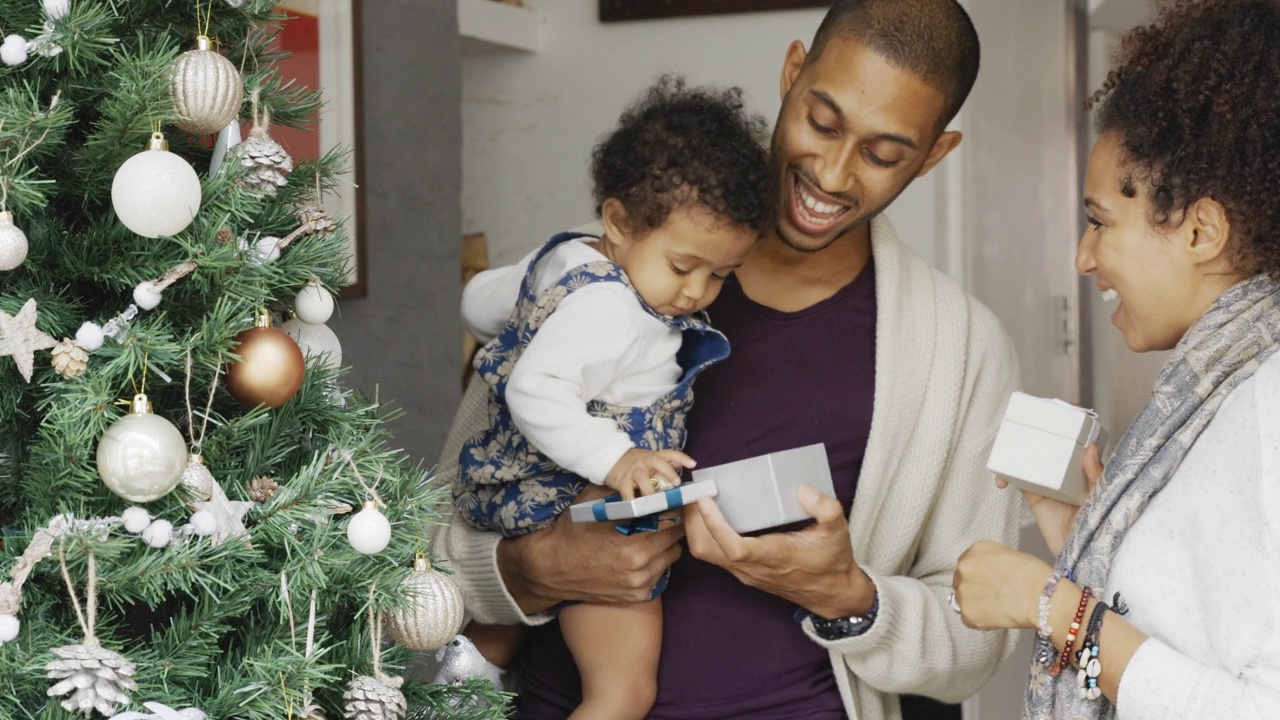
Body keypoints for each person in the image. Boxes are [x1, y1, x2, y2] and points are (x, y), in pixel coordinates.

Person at [433, 1, 1023, 718]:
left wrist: (845, 594)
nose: (832, 175)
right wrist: (529, 571)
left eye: (882, 154)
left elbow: (975, 642)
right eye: (823, 123)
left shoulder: (960, 349)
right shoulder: (597, 270)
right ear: (792, 72)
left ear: (935, 154)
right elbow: (430, 533)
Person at [950, 1, 1280, 718]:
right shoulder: (1221, 390)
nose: (1083, 256)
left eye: (1100, 221)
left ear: (1201, 230)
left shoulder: (1267, 406)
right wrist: (1089, 551)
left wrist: (1049, 608)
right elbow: (1166, 654)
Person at [454, 78, 773, 720]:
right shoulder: (612, 308)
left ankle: (455, 687)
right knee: (623, 693)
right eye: (682, 268)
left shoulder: (564, 257)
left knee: (490, 651)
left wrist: (526, 326)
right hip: (569, 498)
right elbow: (533, 386)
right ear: (619, 221)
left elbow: (480, 301)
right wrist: (619, 461)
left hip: (509, 485)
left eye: (721, 274)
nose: (696, 293)